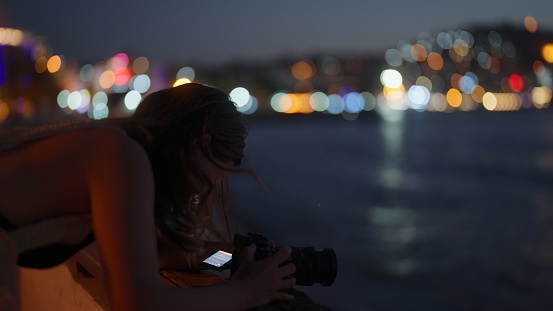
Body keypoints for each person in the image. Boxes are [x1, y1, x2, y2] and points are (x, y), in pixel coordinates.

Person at [0, 82, 297, 310]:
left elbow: (159, 254)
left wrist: (233, 258)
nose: (202, 192)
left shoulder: (116, 152)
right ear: (203, 142)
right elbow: (137, 302)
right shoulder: (120, 158)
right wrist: (246, 292)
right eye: (216, 177)